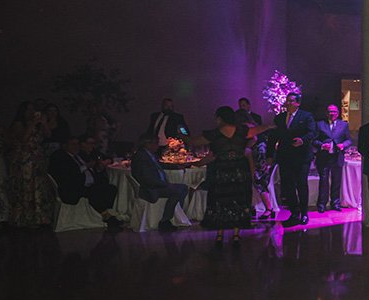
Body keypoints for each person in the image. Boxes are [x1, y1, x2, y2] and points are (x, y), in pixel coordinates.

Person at [184, 107, 273, 245]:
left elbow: (194, 143)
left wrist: (181, 136)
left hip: (221, 172)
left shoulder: (214, 134)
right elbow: (257, 130)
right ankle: (236, 235)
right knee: (238, 202)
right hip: (240, 172)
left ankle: (219, 235)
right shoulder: (242, 131)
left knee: (220, 202)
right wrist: (269, 125)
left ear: (220, 118)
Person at [48, 135, 123, 230]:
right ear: (65, 145)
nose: (76, 147)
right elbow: (69, 174)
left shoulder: (77, 156)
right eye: (73, 144)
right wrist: (86, 166)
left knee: (110, 188)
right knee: (101, 191)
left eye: (77, 144)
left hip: (87, 183)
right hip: (73, 187)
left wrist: (96, 168)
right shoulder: (60, 157)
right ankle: (106, 216)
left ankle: (107, 214)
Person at [130, 133, 190, 231]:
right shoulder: (141, 157)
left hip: (156, 184)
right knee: (178, 191)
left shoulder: (149, 154)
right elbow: (146, 178)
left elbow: (159, 165)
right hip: (150, 188)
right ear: (148, 144)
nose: (157, 146)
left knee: (183, 188)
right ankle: (165, 220)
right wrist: (164, 184)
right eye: (156, 143)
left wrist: (177, 166)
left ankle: (175, 213)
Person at [272, 92, 316, 227]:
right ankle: (294, 213)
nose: (288, 103)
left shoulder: (306, 116)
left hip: (302, 156)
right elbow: (273, 137)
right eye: (287, 100)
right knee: (288, 185)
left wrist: (302, 140)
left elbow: (312, 133)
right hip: (285, 156)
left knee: (301, 184)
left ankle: (304, 213)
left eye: (291, 101)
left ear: (298, 103)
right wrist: (270, 155)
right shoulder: (279, 118)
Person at [5, 101, 51, 229]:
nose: (31, 112)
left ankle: (40, 217)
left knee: (39, 186)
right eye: (28, 109)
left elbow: (48, 135)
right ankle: (26, 218)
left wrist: (44, 123)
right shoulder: (19, 124)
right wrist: (32, 124)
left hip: (38, 158)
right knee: (26, 186)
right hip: (25, 159)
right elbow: (23, 138)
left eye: (33, 109)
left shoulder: (39, 124)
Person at [313, 103, 352, 212]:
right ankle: (322, 204)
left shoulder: (343, 125)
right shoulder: (319, 124)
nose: (332, 113)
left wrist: (343, 145)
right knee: (323, 181)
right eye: (330, 111)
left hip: (337, 156)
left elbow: (348, 140)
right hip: (324, 157)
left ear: (338, 113)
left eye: (334, 111)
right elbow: (314, 140)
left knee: (336, 181)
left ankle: (335, 203)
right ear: (326, 113)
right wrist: (321, 145)